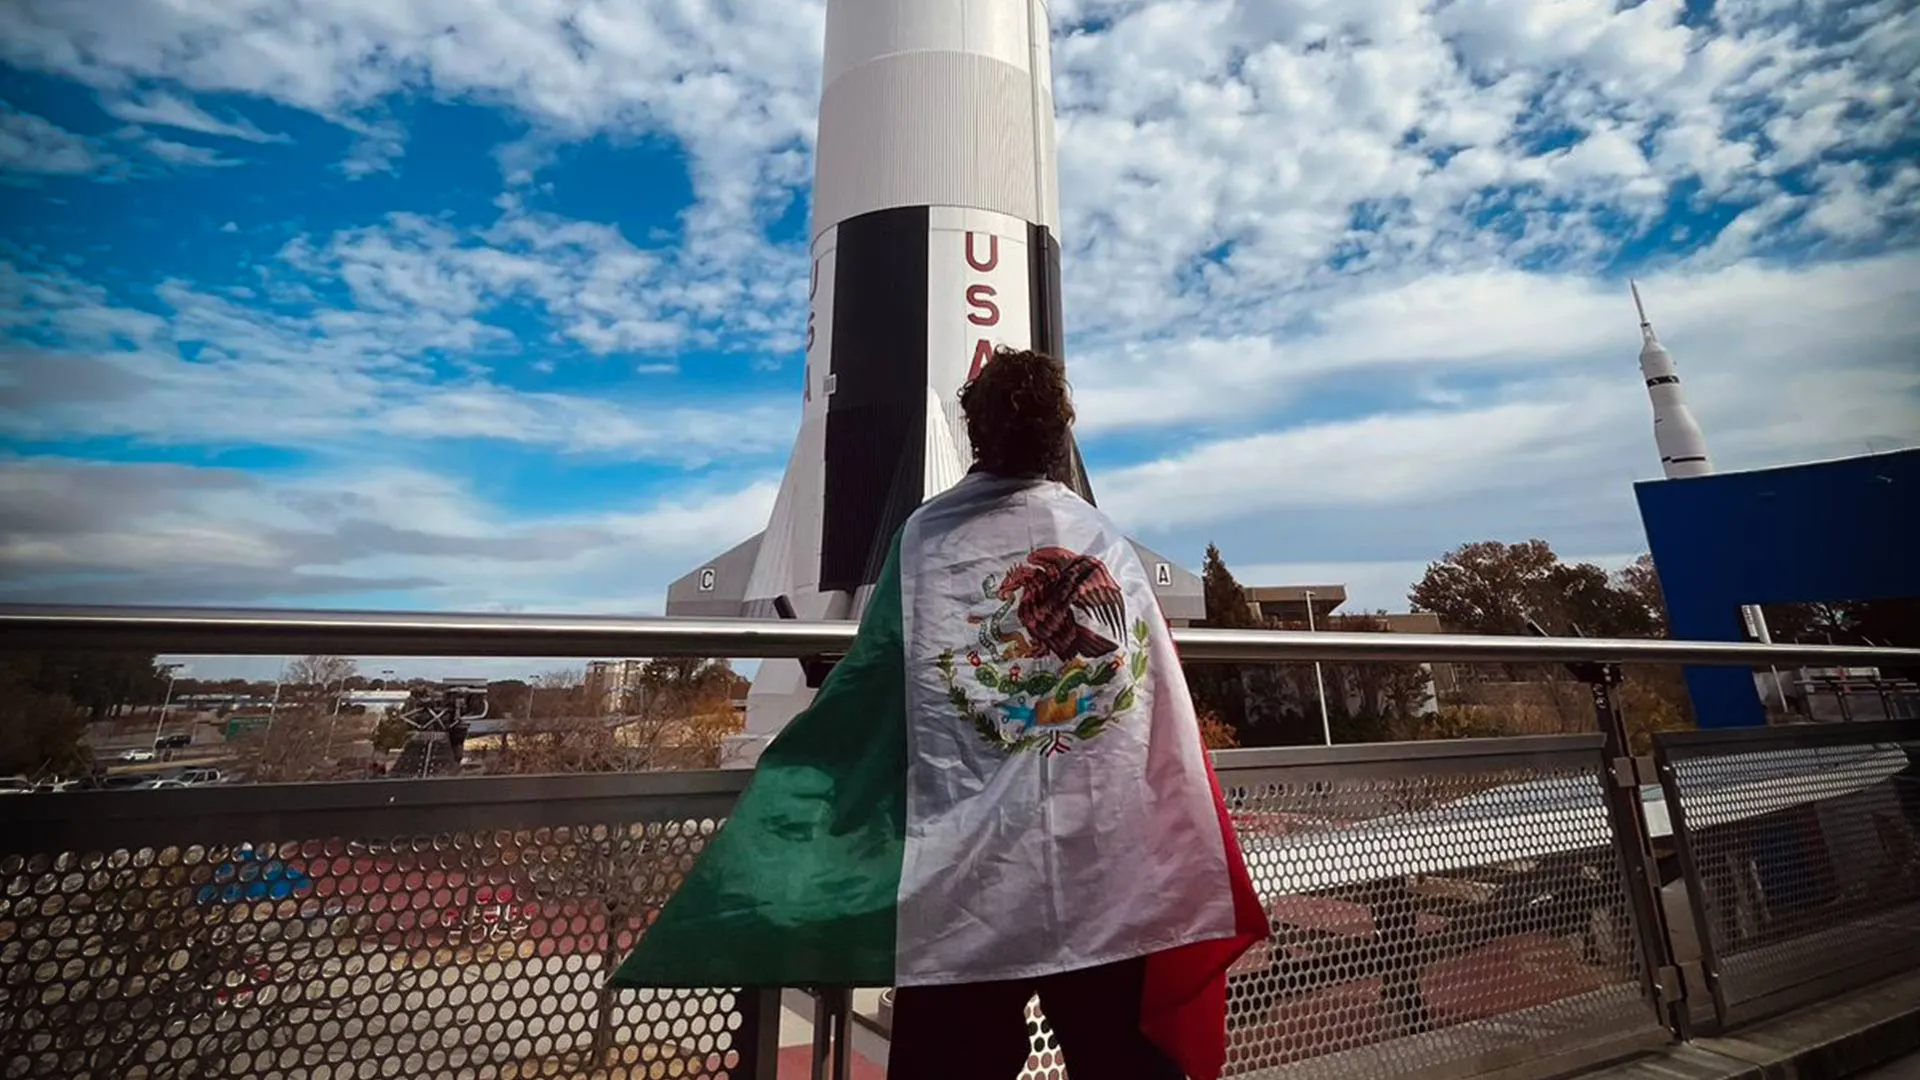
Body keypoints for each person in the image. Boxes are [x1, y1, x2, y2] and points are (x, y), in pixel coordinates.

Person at [611, 347, 1267, 1080]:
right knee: (1119, 1055)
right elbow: (1155, 705)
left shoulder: (927, 541)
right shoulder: (1105, 543)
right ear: (1061, 433)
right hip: (1107, 870)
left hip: (967, 879)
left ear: (974, 432)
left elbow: (875, 681)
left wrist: (801, 779)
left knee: (952, 1056)